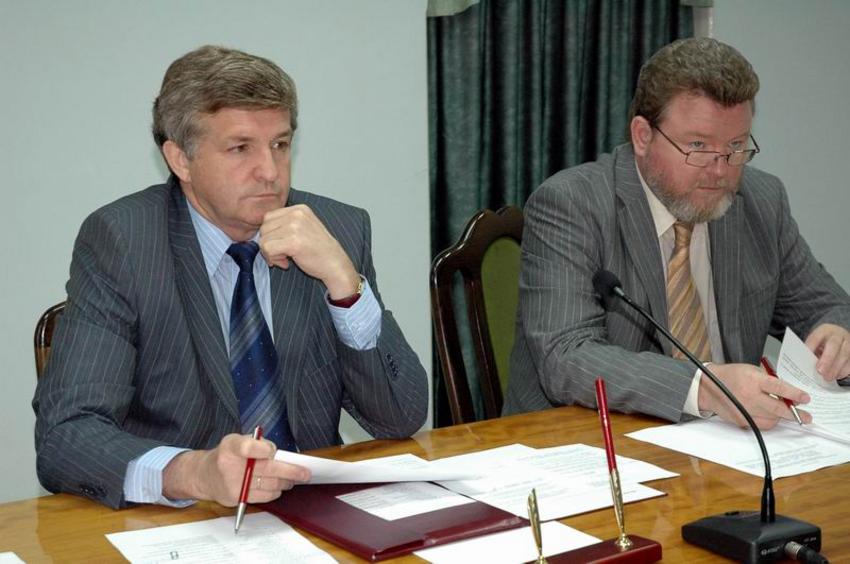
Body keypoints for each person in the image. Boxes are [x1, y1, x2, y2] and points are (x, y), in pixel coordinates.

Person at [33, 45, 428, 510]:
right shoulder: (124, 241)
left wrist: (345, 283)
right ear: (180, 159)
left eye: (280, 145)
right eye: (241, 148)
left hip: (315, 511)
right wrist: (192, 472)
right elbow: (66, 435)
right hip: (188, 520)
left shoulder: (335, 229)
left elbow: (400, 417)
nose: (270, 172)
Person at [503, 37, 850, 430]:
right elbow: (567, 356)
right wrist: (705, 388)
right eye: (698, 146)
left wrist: (837, 334)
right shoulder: (572, 204)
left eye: (736, 146)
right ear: (642, 136)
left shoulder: (760, 201)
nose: (720, 170)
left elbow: (828, 307)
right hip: (587, 441)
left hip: (731, 443)